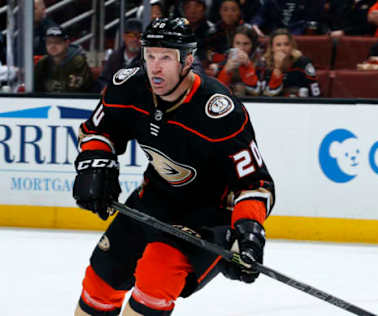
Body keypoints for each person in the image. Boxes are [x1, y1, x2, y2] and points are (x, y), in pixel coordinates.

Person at [72, 17, 275, 315]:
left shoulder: (219, 112)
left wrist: (248, 232)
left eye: (166, 57)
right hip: (152, 200)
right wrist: (95, 162)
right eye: (150, 55)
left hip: (206, 218)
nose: (155, 66)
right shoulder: (128, 86)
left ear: (187, 61)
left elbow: (255, 183)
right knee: (102, 280)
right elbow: (98, 131)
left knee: (155, 276)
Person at [262, 28, 321, 97]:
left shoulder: (303, 63)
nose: (283, 48)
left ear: (292, 46)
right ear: (272, 48)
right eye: (278, 45)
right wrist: (278, 68)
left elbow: (316, 93)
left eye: (286, 44)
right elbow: (267, 96)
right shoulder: (265, 65)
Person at [34, 26, 93, 93]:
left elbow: (77, 88)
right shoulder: (43, 62)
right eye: (49, 42)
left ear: (67, 43)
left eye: (57, 42)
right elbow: (34, 86)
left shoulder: (78, 61)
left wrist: (52, 86)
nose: (52, 46)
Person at [96, 18, 143, 91]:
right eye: (131, 36)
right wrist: (106, 89)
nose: (135, 40)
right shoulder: (115, 56)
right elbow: (103, 79)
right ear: (124, 37)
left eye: (139, 36)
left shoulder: (146, 59)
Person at [216, 24, 263, 95]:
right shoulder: (224, 60)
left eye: (246, 44)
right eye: (237, 43)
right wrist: (226, 71)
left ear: (253, 45)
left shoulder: (261, 62)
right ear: (232, 44)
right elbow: (217, 91)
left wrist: (248, 67)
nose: (241, 48)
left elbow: (257, 92)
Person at [250, 0, 328, 37]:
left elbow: (315, 20)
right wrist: (255, 25)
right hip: (275, 36)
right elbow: (260, 15)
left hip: (300, 37)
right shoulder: (272, 1)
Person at [181, 0, 216, 66]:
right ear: (183, 10)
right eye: (188, 7)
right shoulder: (179, 30)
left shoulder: (212, 31)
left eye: (197, 6)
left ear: (204, 9)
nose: (193, 11)